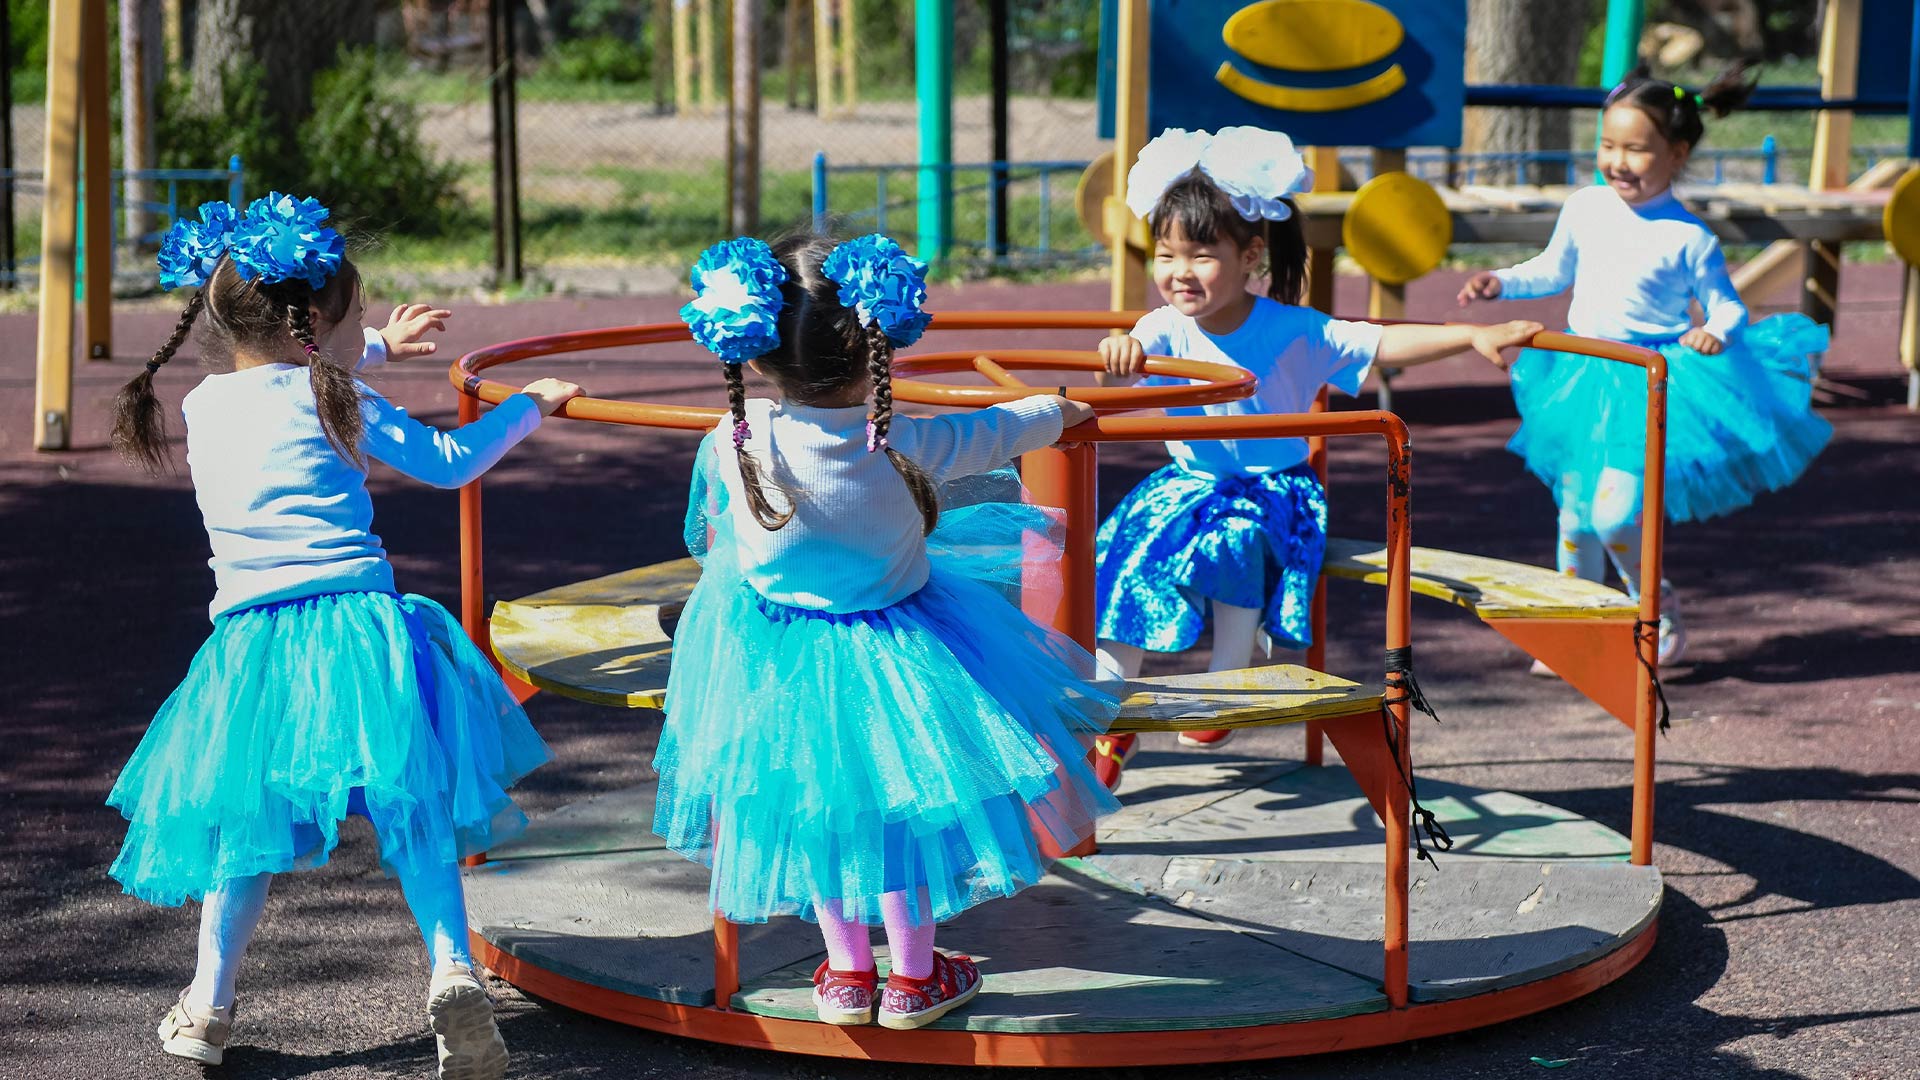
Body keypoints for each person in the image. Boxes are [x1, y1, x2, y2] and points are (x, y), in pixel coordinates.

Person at [106, 193, 582, 1080]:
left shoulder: (205, 406)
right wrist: (529, 407)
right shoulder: (340, 397)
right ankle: (450, 966)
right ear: (314, 325)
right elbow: (450, 465)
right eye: (353, 316)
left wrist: (367, 349)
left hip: (252, 649)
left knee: (243, 832)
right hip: (362, 635)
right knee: (417, 807)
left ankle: (208, 1004)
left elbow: (280, 371)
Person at [653, 233, 1121, 1031]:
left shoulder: (732, 439)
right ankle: (912, 977)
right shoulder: (901, 439)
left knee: (819, 809)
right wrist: (1063, 409)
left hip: (772, 657)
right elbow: (1002, 429)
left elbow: (709, 533)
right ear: (881, 350)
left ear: (757, 357)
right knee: (903, 812)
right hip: (900, 656)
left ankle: (843, 972)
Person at [1091, 127, 1541, 786]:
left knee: (1236, 543)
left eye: (1200, 254)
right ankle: (1108, 715)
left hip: (1276, 492)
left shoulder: (1292, 329)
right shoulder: (1161, 327)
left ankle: (1226, 686)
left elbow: (1382, 344)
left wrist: (1472, 334)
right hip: (1186, 486)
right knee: (1127, 551)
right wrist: (1115, 354)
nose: (1179, 271)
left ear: (1250, 256)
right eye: (1166, 253)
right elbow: (1112, 378)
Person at [1459, 65, 1831, 672]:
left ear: (1676, 153)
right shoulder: (1585, 207)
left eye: (1636, 149)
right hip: (1581, 372)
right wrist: (1500, 282)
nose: (1618, 161)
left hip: (1649, 382)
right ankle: (1574, 629)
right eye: (1608, 145)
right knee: (1576, 516)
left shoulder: (1688, 237)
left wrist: (1716, 331)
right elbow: (1553, 270)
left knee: (1614, 514)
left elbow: (1728, 305)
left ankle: (1652, 605)